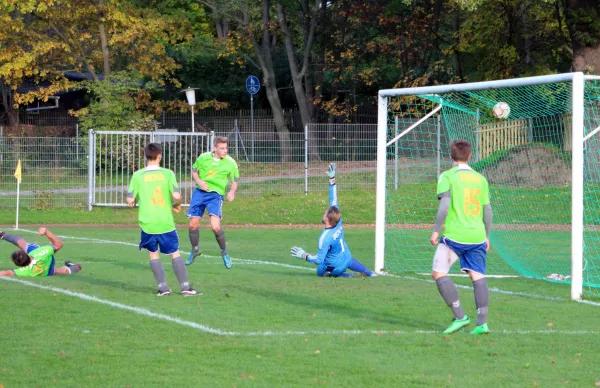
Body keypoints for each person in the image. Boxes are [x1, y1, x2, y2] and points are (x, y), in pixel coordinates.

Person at [429, 139, 492, 335]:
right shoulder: (480, 178)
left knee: (439, 273)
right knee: (477, 276)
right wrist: (486, 236)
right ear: (469, 156)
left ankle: (460, 316)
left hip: (455, 235)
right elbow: (487, 210)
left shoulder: (447, 176)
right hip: (477, 236)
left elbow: (445, 205)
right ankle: (482, 323)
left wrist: (436, 230)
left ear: (451, 156)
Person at [126, 143, 199, 296]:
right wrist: (177, 205)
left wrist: (132, 202)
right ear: (160, 156)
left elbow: (129, 198)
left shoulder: (138, 175)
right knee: (175, 253)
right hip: (165, 222)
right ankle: (185, 287)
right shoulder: (167, 173)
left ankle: (163, 288)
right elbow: (177, 196)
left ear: (145, 156)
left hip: (148, 223)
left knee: (153, 254)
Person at [290, 163, 376, 278]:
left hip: (336, 266)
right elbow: (333, 199)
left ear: (327, 219)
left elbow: (318, 260)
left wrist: (303, 255)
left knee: (320, 271)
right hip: (347, 258)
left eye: (325, 212)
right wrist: (332, 179)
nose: (324, 212)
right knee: (346, 258)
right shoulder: (338, 221)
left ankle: (348, 276)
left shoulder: (325, 238)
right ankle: (369, 273)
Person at [185, 136, 239, 269]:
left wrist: (232, 192)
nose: (225, 150)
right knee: (193, 225)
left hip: (215, 195)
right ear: (215, 148)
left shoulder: (230, 163)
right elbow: (194, 171)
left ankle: (224, 252)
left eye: (226, 148)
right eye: (222, 148)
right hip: (200, 193)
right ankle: (195, 249)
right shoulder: (203, 157)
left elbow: (235, 180)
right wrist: (199, 182)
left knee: (215, 226)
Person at [0, 227, 82, 277]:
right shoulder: (39, 253)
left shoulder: (26, 271)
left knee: (21, 243)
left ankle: (2, 235)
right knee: (21, 242)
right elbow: (59, 244)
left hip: (47, 271)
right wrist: (46, 232)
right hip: (47, 262)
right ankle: (3, 234)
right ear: (26, 253)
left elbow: (7, 273)